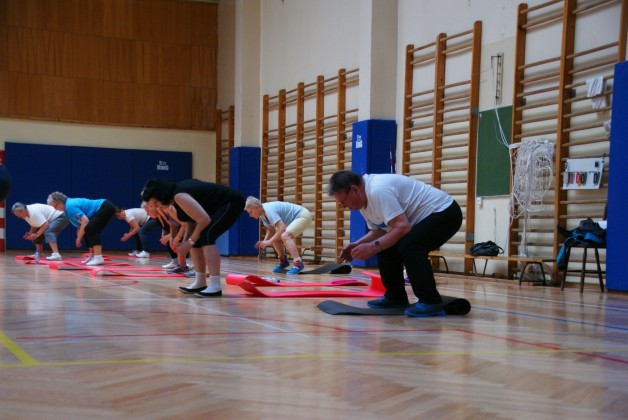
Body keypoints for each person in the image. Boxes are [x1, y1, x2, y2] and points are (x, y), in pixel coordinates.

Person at [327, 170, 462, 317]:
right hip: (420, 220)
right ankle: (395, 297)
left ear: (354, 190)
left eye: (344, 202)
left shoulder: (378, 191)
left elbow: (402, 227)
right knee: (385, 246)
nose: (344, 207)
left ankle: (430, 302)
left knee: (410, 246)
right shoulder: (363, 202)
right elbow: (380, 232)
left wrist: (372, 247)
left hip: (445, 212)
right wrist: (356, 244)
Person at [141, 178, 245, 297]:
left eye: (156, 203)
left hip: (231, 202)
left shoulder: (179, 196)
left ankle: (215, 286)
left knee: (207, 235)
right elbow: (190, 221)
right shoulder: (175, 200)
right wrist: (186, 243)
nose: (157, 206)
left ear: (160, 195)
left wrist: (189, 242)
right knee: (197, 241)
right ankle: (200, 282)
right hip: (214, 208)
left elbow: (204, 219)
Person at [244, 196, 313, 274]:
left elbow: (282, 228)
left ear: (257, 208)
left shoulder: (269, 211)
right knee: (275, 238)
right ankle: (283, 261)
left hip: (303, 216)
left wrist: (268, 241)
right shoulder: (262, 215)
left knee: (285, 236)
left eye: (250, 212)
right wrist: (265, 242)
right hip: (294, 219)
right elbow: (271, 229)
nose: (250, 215)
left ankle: (298, 263)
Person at [47, 192, 117, 266]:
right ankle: (92, 256)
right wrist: (79, 237)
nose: (55, 209)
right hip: (104, 208)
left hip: (105, 207)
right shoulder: (67, 210)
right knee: (87, 231)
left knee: (90, 229)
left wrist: (78, 238)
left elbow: (85, 222)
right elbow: (81, 225)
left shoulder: (69, 205)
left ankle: (98, 257)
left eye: (55, 207)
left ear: (59, 202)